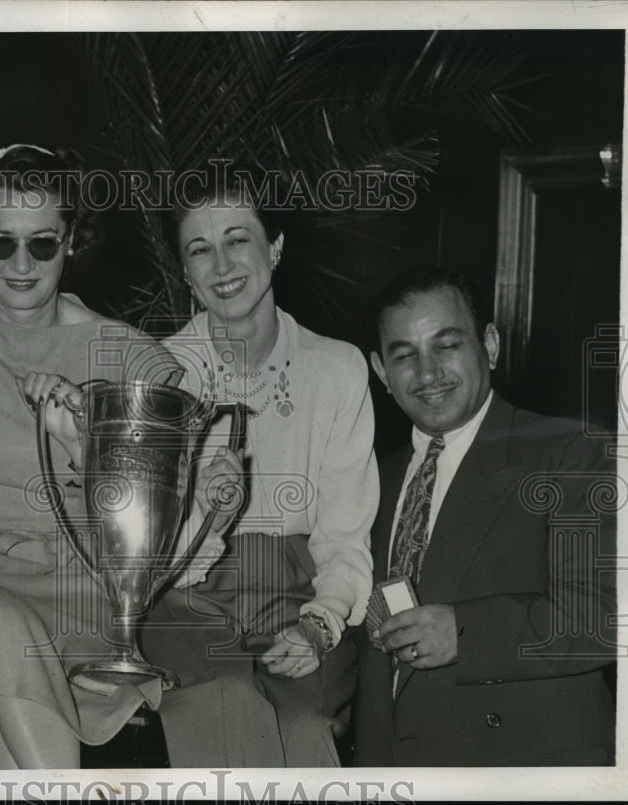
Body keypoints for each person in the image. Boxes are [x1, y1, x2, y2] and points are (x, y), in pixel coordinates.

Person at [0, 144, 182, 769]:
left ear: (71, 240)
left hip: (80, 596)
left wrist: (82, 444)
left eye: (42, 243)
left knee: (0, 679)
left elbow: (150, 541)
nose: (21, 264)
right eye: (0, 242)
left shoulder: (131, 358)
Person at [133, 166, 380, 767]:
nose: (222, 265)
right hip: (185, 594)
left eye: (238, 239)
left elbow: (345, 535)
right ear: (185, 273)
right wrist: (208, 518)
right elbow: (143, 553)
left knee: (303, 723)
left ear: (275, 247)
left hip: (302, 591)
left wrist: (320, 624)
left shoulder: (338, 368)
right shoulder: (159, 374)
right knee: (225, 701)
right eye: (200, 249)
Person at [355, 267, 617, 766]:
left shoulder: (570, 451)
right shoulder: (370, 479)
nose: (427, 373)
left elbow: (608, 615)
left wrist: (464, 632)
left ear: (490, 345)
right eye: (404, 355)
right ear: (382, 371)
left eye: (447, 345)